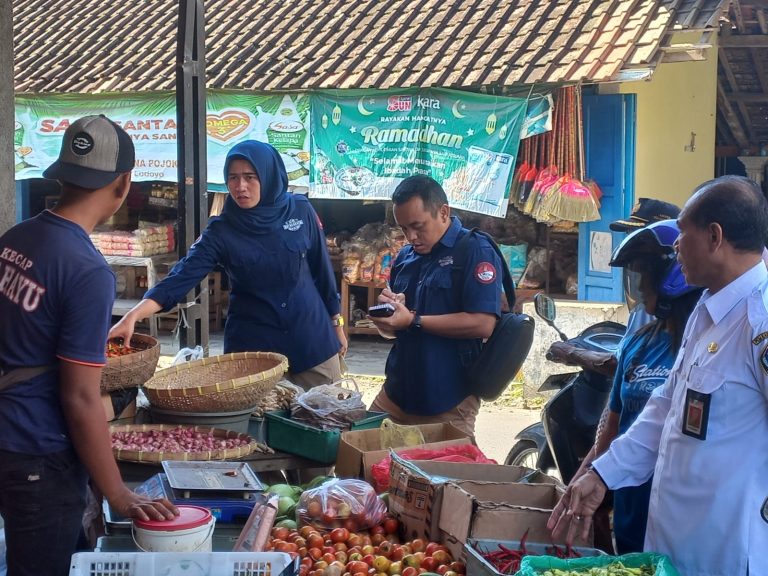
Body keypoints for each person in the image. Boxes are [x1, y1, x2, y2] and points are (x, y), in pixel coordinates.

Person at [548, 176, 768, 575]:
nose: (675, 245)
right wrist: (602, 474)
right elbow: (665, 408)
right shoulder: (707, 310)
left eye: (683, 232)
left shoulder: (760, 320)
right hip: (671, 549)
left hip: (728, 554)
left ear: (715, 237)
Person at [0, 115, 178, 576]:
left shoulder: (15, 238)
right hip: (38, 451)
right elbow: (80, 397)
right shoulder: (87, 270)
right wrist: (117, 492)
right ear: (123, 183)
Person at [110, 140, 345, 389]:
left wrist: (336, 324)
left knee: (329, 419)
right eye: (233, 177)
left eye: (250, 177)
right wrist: (134, 315)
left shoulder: (300, 210)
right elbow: (181, 277)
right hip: (254, 352)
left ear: (269, 175)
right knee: (257, 425)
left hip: (312, 340)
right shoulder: (221, 231)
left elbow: (322, 272)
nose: (240, 186)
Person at [569, 219, 702, 554]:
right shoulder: (638, 343)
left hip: (686, 516)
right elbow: (614, 419)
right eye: (635, 275)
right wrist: (592, 475)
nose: (639, 287)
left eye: (644, 274)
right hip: (631, 505)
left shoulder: (707, 344)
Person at [367, 175, 503, 437]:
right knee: (359, 464)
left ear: (443, 212)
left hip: (449, 399)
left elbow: (483, 323)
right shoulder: (406, 256)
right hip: (397, 393)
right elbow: (394, 331)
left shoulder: (474, 250)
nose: (411, 237)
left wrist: (414, 321)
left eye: (418, 226)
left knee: (446, 476)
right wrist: (388, 320)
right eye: (404, 228)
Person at [547, 198, 681, 377]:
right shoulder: (647, 298)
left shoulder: (657, 300)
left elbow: (623, 364)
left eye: (638, 235)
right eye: (629, 233)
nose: (630, 242)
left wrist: (572, 353)